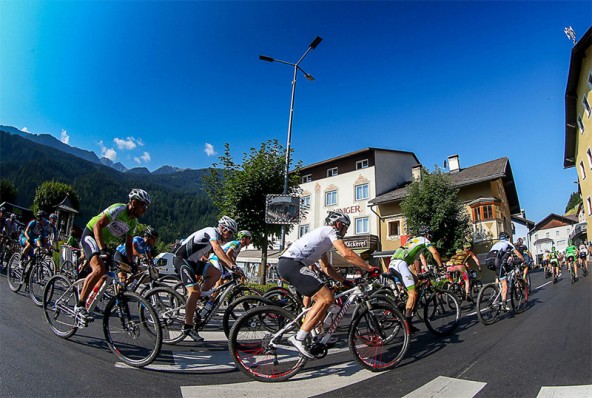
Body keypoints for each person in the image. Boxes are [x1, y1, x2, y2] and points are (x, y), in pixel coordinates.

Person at [277, 211, 378, 358]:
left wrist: (343, 281)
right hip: (292, 264)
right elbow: (346, 253)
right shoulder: (330, 231)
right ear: (338, 224)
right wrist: (369, 268)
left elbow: (326, 268)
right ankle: (299, 337)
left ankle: (315, 333)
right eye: (345, 227)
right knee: (326, 298)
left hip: (290, 265)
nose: (346, 231)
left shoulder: (323, 239)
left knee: (323, 299)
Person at [75, 189, 151, 321]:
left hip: (103, 242)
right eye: (143, 205)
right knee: (99, 269)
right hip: (91, 235)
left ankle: (89, 292)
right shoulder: (119, 209)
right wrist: (102, 249)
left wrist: (131, 262)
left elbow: (128, 244)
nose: (145, 209)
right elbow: (98, 226)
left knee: (107, 273)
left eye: (146, 206)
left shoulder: (133, 222)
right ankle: (80, 305)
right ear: (134, 202)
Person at [173, 216, 240, 342]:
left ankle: (198, 299)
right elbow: (216, 249)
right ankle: (187, 327)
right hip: (181, 259)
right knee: (194, 292)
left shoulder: (218, 239)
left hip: (192, 262)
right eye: (229, 232)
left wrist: (232, 268)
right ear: (222, 228)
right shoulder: (211, 231)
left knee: (216, 273)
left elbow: (220, 256)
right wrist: (232, 266)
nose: (230, 236)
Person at [389, 226, 444, 332]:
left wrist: (415, 276)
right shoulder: (424, 240)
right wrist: (441, 266)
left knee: (416, 282)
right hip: (400, 264)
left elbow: (412, 265)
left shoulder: (412, 241)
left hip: (394, 263)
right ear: (427, 235)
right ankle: (407, 323)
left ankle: (403, 303)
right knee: (413, 294)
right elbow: (435, 252)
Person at [484, 232, 524, 311]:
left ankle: (497, 288)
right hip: (496, 261)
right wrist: (523, 260)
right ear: (507, 238)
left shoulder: (496, 244)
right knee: (504, 284)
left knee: (499, 273)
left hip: (488, 261)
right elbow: (518, 254)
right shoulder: (508, 243)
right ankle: (504, 304)